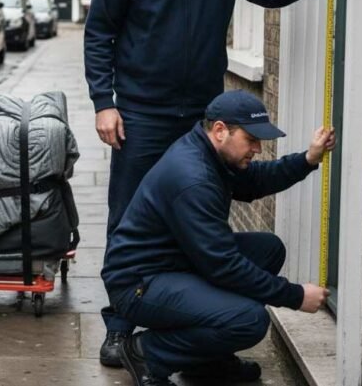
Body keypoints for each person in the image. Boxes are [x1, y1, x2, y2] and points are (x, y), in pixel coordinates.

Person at [84, 0, 348, 366]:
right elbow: (100, 33)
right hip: (141, 112)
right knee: (127, 217)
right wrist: (104, 102)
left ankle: (195, 316)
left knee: (205, 217)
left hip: (203, 118)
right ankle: (120, 327)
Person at [102, 90, 334, 386]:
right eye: (251, 140)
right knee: (249, 320)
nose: (258, 149)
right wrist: (296, 295)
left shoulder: (210, 152)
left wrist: (308, 159)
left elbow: (257, 180)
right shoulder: (194, 178)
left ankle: (205, 361)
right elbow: (224, 266)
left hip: (174, 263)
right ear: (221, 130)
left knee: (268, 250)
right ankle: (147, 353)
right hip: (139, 283)